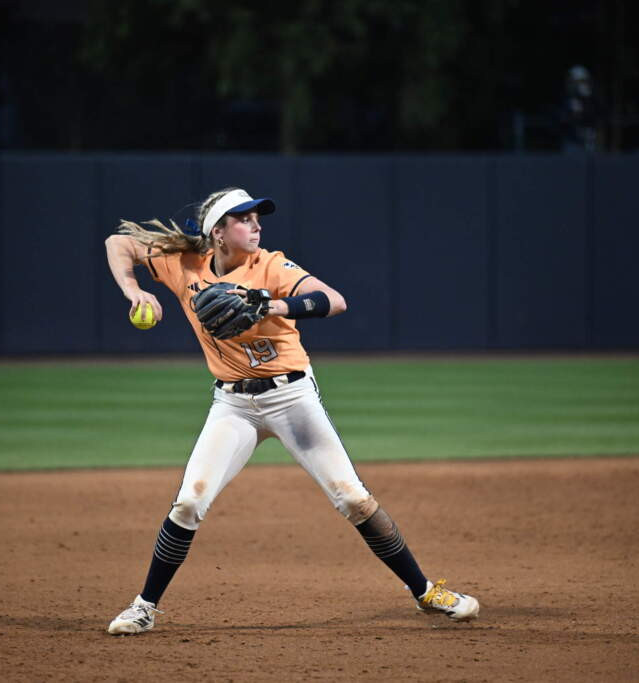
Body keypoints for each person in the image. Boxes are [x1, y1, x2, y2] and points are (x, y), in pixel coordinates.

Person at [103, 187, 479, 635]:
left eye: (257, 217)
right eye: (244, 219)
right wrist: (134, 291)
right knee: (189, 503)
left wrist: (272, 304)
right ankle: (144, 607)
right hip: (233, 405)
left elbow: (334, 300)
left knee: (354, 499)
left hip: (291, 397)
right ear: (217, 232)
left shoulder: (272, 266)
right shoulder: (185, 263)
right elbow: (118, 243)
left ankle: (425, 592)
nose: (256, 225)